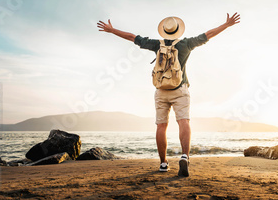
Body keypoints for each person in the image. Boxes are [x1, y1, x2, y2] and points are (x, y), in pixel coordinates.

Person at [97, 13, 241, 177]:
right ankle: (185, 156)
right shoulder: (186, 43)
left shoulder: (156, 44)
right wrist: (226, 25)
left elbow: (132, 37)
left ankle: (163, 163)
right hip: (180, 89)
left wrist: (112, 30)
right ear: (178, 30)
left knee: (161, 126)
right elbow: (208, 34)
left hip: (161, 91)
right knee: (183, 122)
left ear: (164, 31)